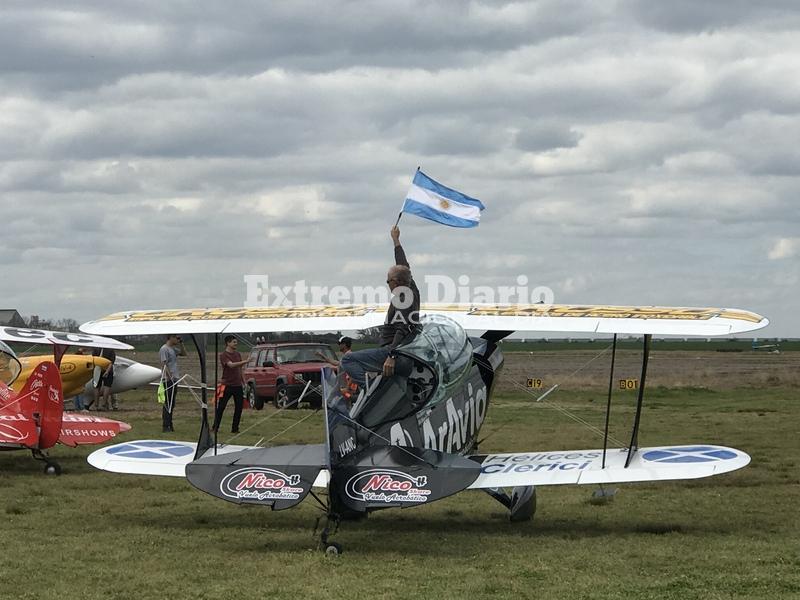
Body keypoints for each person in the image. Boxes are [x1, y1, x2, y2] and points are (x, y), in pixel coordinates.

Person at [341, 226, 420, 387]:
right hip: (408, 357)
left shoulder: (403, 299)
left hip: (394, 355)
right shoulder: (412, 289)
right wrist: (396, 241)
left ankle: (371, 390)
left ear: (396, 282)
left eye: (388, 281)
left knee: (347, 360)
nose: (387, 284)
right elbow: (403, 265)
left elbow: (403, 328)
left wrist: (392, 355)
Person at [212, 335, 248, 434]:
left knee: (239, 407)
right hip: (226, 385)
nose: (236, 344)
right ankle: (215, 427)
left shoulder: (237, 354)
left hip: (237, 385)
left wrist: (243, 381)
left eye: (236, 342)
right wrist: (245, 361)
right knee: (221, 407)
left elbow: (240, 368)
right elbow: (231, 365)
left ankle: (235, 428)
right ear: (228, 343)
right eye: (234, 342)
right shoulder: (224, 355)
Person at [159, 334, 186, 432]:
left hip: (175, 379)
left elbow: (184, 353)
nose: (177, 339)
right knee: (168, 403)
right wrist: (170, 377)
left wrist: (181, 343)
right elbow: (164, 364)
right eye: (176, 337)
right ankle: (165, 426)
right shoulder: (164, 349)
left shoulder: (173, 349)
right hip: (168, 380)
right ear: (170, 337)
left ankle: (170, 424)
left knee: (172, 403)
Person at [88, 347, 116, 411]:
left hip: (97, 369)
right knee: (107, 387)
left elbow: (93, 360)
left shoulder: (96, 349)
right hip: (108, 370)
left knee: (96, 387)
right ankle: (104, 404)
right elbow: (111, 362)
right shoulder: (110, 350)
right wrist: (107, 372)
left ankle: (96, 405)